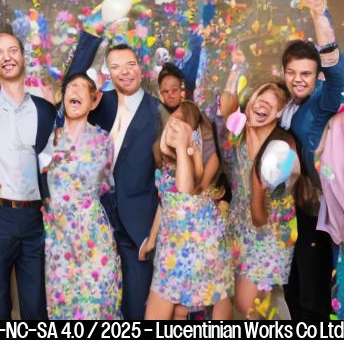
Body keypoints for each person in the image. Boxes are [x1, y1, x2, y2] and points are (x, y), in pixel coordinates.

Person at [67, 32, 161, 319]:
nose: (125, 72)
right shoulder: (98, 103)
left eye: (130, 64)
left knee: (135, 307)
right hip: (96, 223)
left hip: (138, 228)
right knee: (98, 306)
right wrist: (91, 38)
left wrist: (154, 233)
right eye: (116, 66)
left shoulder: (158, 111)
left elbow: (167, 175)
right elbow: (71, 86)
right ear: (108, 72)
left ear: (140, 68)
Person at [0, 31, 56, 320]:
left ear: (22, 55)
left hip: (34, 220)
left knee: (35, 310)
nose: (7, 57)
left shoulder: (44, 109)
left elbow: (53, 163)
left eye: (12, 50)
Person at [38, 71, 120, 320]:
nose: (74, 92)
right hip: (60, 239)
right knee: (64, 308)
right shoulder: (49, 138)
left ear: (93, 100)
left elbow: (109, 186)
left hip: (94, 236)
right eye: (70, 87)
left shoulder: (103, 140)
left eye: (81, 88)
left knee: (97, 305)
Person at [280, 0, 342, 320]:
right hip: (292, 213)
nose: (298, 79)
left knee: (315, 300)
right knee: (293, 290)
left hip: (321, 214)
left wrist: (320, 15)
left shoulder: (321, 102)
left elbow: (337, 77)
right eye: (292, 72)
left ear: (316, 73)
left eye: (306, 72)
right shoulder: (286, 105)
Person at [142, 101, 229, 319]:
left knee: (177, 310)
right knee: (178, 311)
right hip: (169, 242)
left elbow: (185, 191)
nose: (174, 123)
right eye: (174, 117)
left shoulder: (192, 157)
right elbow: (165, 204)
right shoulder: (164, 159)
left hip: (192, 245)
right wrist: (151, 240)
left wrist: (184, 148)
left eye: (182, 120)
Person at [224, 82, 302, 319]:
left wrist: (259, 187)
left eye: (271, 104)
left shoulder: (282, 149)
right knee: (253, 302)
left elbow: (260, 216)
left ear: (279, 113)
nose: (262, 105)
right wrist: (234, 68)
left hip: (269, 232)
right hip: (238, 229)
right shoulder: (238, 133)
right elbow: (227, 105)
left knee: (247, 302)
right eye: (259, 97)